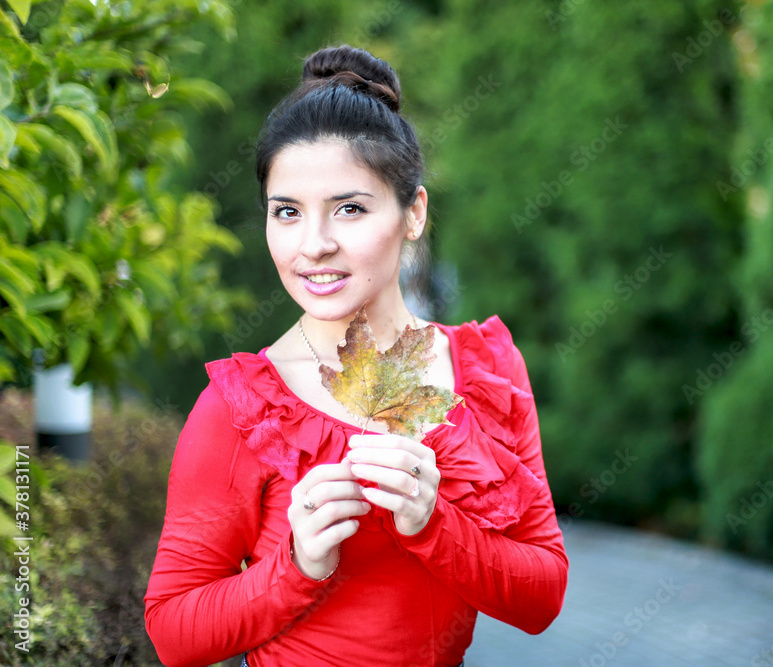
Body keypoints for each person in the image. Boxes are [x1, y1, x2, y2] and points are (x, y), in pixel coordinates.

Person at [143, 44, 569, 666]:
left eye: (349, 209)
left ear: (413, 213)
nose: (314, 244)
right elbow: (172, 632)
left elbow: (542, 597)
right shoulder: (245, 407)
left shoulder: (486, 371)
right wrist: (298, 565)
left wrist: (433, 524)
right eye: (287, 212)